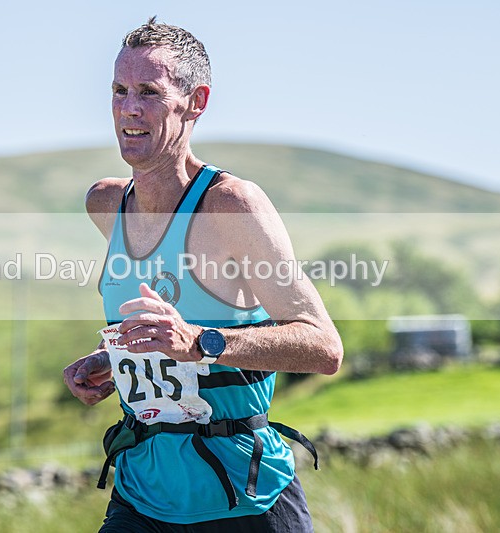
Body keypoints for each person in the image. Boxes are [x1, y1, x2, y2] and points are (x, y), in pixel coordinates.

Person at [63, 17, 343, 532]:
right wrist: (112, 358)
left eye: (149, 92)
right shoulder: (106, 204)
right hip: (142, 496)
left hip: (245, 500)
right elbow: (165, 333)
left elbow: (323, 347)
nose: (129, 108)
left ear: (196, 102)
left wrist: (201, 342)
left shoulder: (230, 205)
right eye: (119, 90)